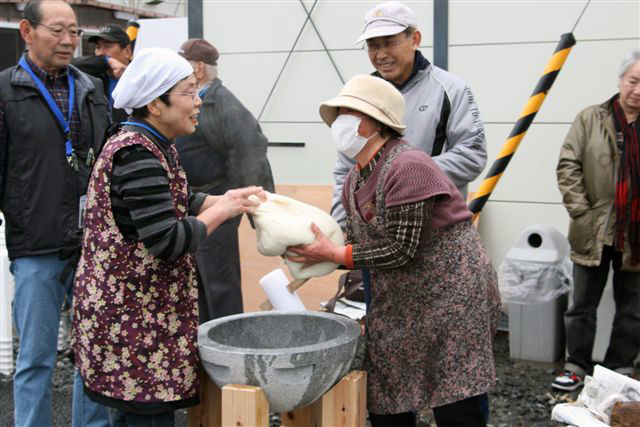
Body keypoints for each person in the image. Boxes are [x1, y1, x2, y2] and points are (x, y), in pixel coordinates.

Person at [287, 74, 501, 427]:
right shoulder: (356, 178)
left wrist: (335, 255)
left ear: (376, 122)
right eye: (338, 113)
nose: (340, 122)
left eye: (348, 113)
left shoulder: (409, 166)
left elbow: (402, 250)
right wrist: (314, 252)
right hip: (402, 298)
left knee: (455, 396)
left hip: (451, 296)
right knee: (389, 396)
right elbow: (360, 245)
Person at [71, 47, 265, 425]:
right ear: (155, 104)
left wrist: (217, 197)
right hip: (131, 326)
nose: (198, 103)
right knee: (146, 417)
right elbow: (167, 241)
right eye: (189, 93)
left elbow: (171, 199)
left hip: (138, 320)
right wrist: (219, 213)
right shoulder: (137, 154)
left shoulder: (152, 143)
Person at [0, 1, 111, 426]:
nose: (68, 41)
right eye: (58, 31)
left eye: (75, 32)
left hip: (91, 246)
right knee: (35, 357)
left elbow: (104, 161)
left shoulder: (91, 89)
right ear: (27, 31)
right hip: (36, 246)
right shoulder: (6, 91)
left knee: (94, 354)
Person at [331, 1, 486, 226]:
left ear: (415, 39)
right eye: (373, 46)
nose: (381, 54)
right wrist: (340, 227)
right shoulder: (359, 97)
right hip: (376, 234)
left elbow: (471, 156)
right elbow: (346, 169)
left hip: (434, 229)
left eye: (390, 42)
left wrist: (402, 177)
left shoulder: (451, 89)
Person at [553, 50, 640, 391]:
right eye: (633, 81)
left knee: (633, 308)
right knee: (582, 305)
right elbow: (568, 166)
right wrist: (582, 212)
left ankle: (620, 369)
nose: (637, 89)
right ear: (620, 80)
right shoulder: (591, 118)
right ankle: (576, 365)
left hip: (636, 234)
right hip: (594, 229)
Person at [175, 38, 275, 321]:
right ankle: (206, 347)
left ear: (197, 69)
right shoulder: (201, 100)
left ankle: (228, 346)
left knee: (219, 283)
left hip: (216, 202)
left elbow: (251, 147)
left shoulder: (221, 103)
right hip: (199, 203)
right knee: (200, 282)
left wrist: (259, 208)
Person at [72, 24, 132, 122]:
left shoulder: (138, 78)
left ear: (127, 52)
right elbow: (69, 64)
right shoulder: (95, 78)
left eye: (107, 47)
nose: (100, 53)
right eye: (98, 47)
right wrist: (106, 61)